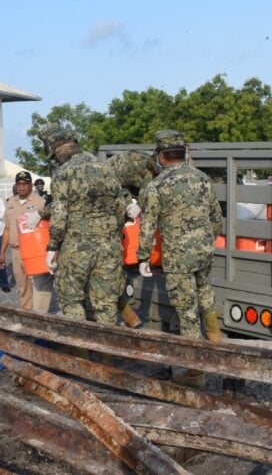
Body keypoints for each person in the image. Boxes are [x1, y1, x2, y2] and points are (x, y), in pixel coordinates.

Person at [138, 130, 223, 370]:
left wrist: (143, 256)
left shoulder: (157, 186)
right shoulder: (202, 178)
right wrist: (207, 239)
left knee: (186, 312)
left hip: (178, 258)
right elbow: (216, 216)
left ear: (161, 156)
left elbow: (147, 225)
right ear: (183, 153)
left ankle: (195, 371)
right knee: (205, 292)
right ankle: (216, 341)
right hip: (204, 250)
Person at [40, 124, 124, 324]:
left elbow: (59, 214)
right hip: (109, 247)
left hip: (76, 249)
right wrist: (113, 234)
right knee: (106, 305)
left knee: (71, 301)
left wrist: (52, 246)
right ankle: (106, 355)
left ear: (57, 151)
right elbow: (120, 206)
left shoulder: (63, 173)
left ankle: (80, 352)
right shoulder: (106, 169)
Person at [105, 150, 159, 329]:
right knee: (108, 276)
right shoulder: (147, 171)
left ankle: (127, 315)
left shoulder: (143, 166)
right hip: (104, 234)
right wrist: (135, 205)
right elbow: (145, 196)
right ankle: (126, 315)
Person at [1, 171, 48, 311]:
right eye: (19, 184)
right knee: (22, 286)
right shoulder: (10, 203)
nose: (21, 187)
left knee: (38, 285)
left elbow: (47, 226)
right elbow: (7, 229)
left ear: (30, 185)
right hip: (16, 251)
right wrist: (2, 253)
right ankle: (27, 315)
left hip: (35, 252)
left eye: (24, 184)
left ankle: (40, 317)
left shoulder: (40, 202)